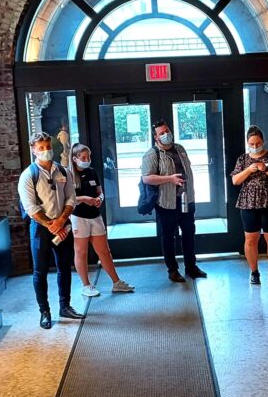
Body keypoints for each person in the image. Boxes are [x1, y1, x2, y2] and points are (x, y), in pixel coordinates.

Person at [19, 132, 85, 329]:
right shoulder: (28, 176)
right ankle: (44, 311)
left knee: (65, 267)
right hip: (41, 229)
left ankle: (65, 306)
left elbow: (71, 198)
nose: (46, 151)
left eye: (48, 147)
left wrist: (62, 221)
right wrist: (51, 225)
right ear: (33, 150)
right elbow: (30, 208)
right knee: (40, 271)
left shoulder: (63, 172)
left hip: (62, 225)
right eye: (41, 148)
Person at [141, 121, 207, 282]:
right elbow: (146, 178)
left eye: (167, 131)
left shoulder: (179, 148)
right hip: (167, 203)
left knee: (189, 234)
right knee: (169, 237)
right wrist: (169, 179)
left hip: (187, 199)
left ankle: (191, 267)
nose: (166, 134)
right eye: (161, 133)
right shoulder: (152, 154)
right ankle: (173, 270)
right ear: (155, 137)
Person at [68, 143, 134, 296]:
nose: (87, 160)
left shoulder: (92, 172)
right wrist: (84, 199)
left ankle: (116, 282)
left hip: (95, 216)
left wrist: (99, 199)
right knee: (81, 252)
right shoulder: (68, 175)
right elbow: (68, 199)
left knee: (104, 251)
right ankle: (86, 285)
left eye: (88, 157)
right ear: (75, 158)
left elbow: (99, 191)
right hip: (79, 217)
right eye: (83, 157)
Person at [230, 126, 268, 285]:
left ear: (263, 141)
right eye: (252, 143)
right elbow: (235, 180)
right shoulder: (243, 159)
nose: (255, 146)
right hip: (248, 204)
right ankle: (254, 272)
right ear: (248, 143)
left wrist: (266, 169)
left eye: (258, 143)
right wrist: (249, 169)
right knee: (250, 239)